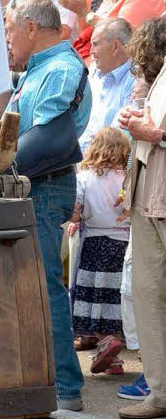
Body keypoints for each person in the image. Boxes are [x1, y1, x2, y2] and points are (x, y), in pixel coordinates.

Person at [5, 0, 91, 411]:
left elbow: (44, 139)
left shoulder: (59, 68)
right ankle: (45, 381)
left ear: (30, 27)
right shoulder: (43, 69)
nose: (7, 39)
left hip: (42, 185)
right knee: (31, 286)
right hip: (33, 184)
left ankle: (66, 388)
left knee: (43, 287)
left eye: (9, 29)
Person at [116, 16, 166, 418]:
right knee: (149, 297)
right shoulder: (160, 72)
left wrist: (156, 133)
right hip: (149, 190)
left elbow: (158, 132)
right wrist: (138, 126)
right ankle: (161, 392)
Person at [67, 127, 131, 375]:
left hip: (95, 243)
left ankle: (106, 342)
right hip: (123, 243)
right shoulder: (128, 176)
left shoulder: (85, 176)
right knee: (116, 295)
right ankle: (114, 357)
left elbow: (75, 210)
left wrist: (75, 218)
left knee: (94, 297)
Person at [78, 19, 135, 154]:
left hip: (106, 164)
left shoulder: (136, 81)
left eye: (95, 44)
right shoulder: (93, 70)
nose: (91, 51)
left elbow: (121, 140)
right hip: (76, 158)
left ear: (115, 46)